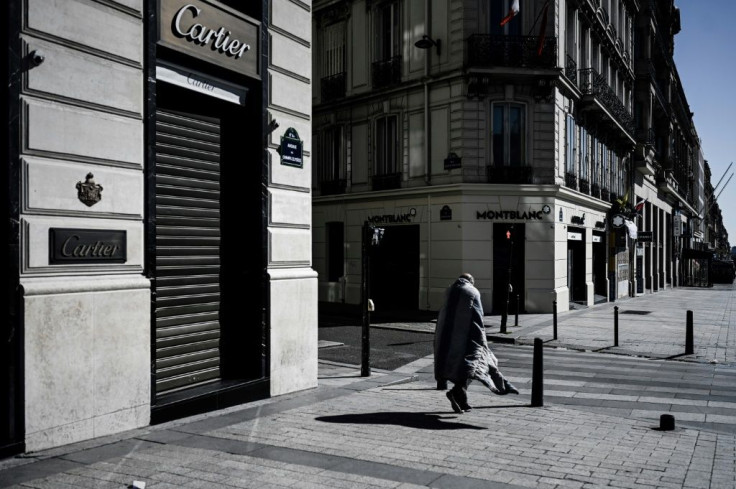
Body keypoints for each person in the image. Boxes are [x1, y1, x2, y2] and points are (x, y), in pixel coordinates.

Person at [434, 273, 519, 413]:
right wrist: (481, 337)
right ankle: (456, 393)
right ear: (471, 281)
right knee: (472, 366)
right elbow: (478, 316)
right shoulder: (473, 291)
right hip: (469, 337)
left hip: (448, 338)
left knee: (462, 367)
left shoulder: (449, 290)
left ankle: (462, 400)